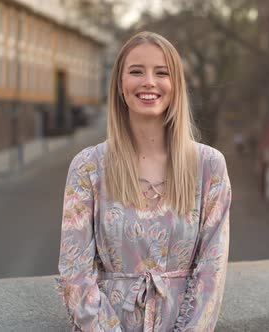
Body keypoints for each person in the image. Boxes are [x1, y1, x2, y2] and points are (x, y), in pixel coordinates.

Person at [56, 31, 232, 332]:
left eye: (161, 73)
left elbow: (211, 272)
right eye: (136, 71)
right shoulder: (88, 167)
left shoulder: (209, 166)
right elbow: (75, 272)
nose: (149, 81)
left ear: (175, 86)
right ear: (120, 86)